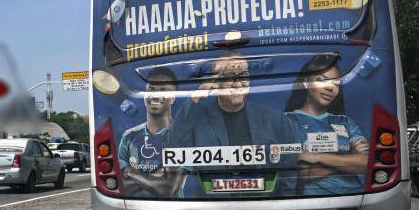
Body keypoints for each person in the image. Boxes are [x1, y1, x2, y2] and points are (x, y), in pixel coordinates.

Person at [165, 51, 299, 196]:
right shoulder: (197, 121)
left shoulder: (276, 120)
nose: (237, 83)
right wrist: (195, 98)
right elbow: (173, 146)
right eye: (229, 76)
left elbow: (290, 171)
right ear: (215, 82)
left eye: (243, 76)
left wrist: (278, 207)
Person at [285, 54, 368, 195]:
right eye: (322, 80)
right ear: (305, 83)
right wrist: (348, 156)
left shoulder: (345, 121)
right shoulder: (287, 121)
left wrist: (319, 157)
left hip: (356, 197)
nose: (330, 88)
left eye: (336, 83)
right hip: (314, 202)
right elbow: (304, 173)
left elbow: (365, 163)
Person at [118, 67, 180, 197]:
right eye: (151, 89)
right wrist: (154, 178)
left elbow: (167, 189)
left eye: (163, 90)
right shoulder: (129, 137)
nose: (155, 95)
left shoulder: (181, 136)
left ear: (173, 98)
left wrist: (129, 172)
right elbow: (121, 186)